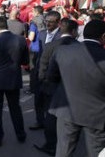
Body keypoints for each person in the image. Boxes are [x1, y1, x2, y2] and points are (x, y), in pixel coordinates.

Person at [47, 19, 105, 157]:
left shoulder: (63, 51)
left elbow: (52, 77)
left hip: (66, 109)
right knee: (97, 152)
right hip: (97, 114)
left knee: (63, 151)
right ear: (103, 37)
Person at [33, 19, 79, 156]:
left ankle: (51, 144)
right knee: (67, 118)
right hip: (71, 87)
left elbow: (43, 65)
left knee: (51, 116)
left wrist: (42, 82)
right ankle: (63, 144)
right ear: (74, 31)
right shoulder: (79, 46)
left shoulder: (51, 45)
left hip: (51, 87)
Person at [0, 17, 29, 146]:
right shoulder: (20, 40)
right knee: (15, 108)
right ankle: (20, 134)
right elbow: (25, 62)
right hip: (13, 79)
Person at [30, 11, 61, 131]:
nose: (47, 24)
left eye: (51, 22)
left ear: (58, 23)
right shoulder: (42, 34)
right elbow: (37, 53)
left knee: (51, 102)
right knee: (38, 99)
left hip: (54, 74)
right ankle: (40, 121)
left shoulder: (61, 36)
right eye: (46, 21)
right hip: (39, 72)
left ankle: (51, 126)